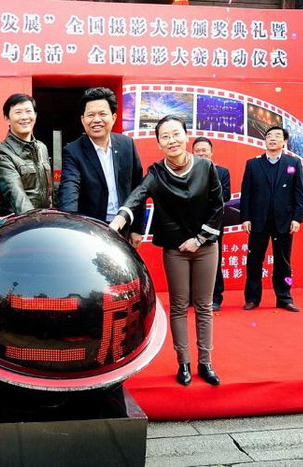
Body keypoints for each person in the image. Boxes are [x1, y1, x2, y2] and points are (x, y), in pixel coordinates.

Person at [110, 115, 223, 386]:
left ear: (186, 136)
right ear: (159, 143)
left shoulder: (206, 167)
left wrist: (199, 239)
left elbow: (217, 207)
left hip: (206, 247)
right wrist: (118, 221)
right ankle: (183, 363)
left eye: (176, 134)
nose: (172, 140)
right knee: (179, 307)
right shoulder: (157, 173)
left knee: (204, 307)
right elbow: (137, 196)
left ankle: (205, 362)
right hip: (175, 250)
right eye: (165, 136)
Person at [59, 87, 144, 247]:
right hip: (90, 230)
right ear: (83, 119)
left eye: (102, 114)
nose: (96, 120)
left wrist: (137, 228)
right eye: (91, 115)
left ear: (113, 117)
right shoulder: (73, 151)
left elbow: (138, 188)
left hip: (123, 227)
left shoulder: (127, 145)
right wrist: (71, 228)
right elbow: (69, 189)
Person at [240, 126, 303, 312]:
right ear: (265, 141)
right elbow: (246, 193)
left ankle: (284, 298)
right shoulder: (253, 164)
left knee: (283, 262)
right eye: (269, 136)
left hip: (284, 220)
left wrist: (297, 218)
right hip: (258, 220)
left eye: (277, 136)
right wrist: (245, 218)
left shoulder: (293, 163)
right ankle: (252, 299)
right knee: (254, 261)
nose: (272, 139)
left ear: (284, 141)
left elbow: (299, 193)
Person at [0, 93, 52, 215]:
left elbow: (49, 194)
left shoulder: (42, 147)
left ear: (35, 115)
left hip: (44, 220)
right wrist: (34, 221)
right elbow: (17, 197)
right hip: (19, 222)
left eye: (28, 111)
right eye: (18, 112)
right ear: (7, 119)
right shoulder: (1, 153)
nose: (24, 117)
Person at [193, 137, 231, 311]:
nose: (201, 153)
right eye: (197, 151)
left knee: (213, 260)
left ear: (211, 152)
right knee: (189, 260)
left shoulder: (222, 172)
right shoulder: (187, 171)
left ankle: (215, 297)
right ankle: (192, 297)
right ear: (192, 153)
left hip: (213, 223)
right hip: (190, 223)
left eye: (204, 150)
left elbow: (226, 196)